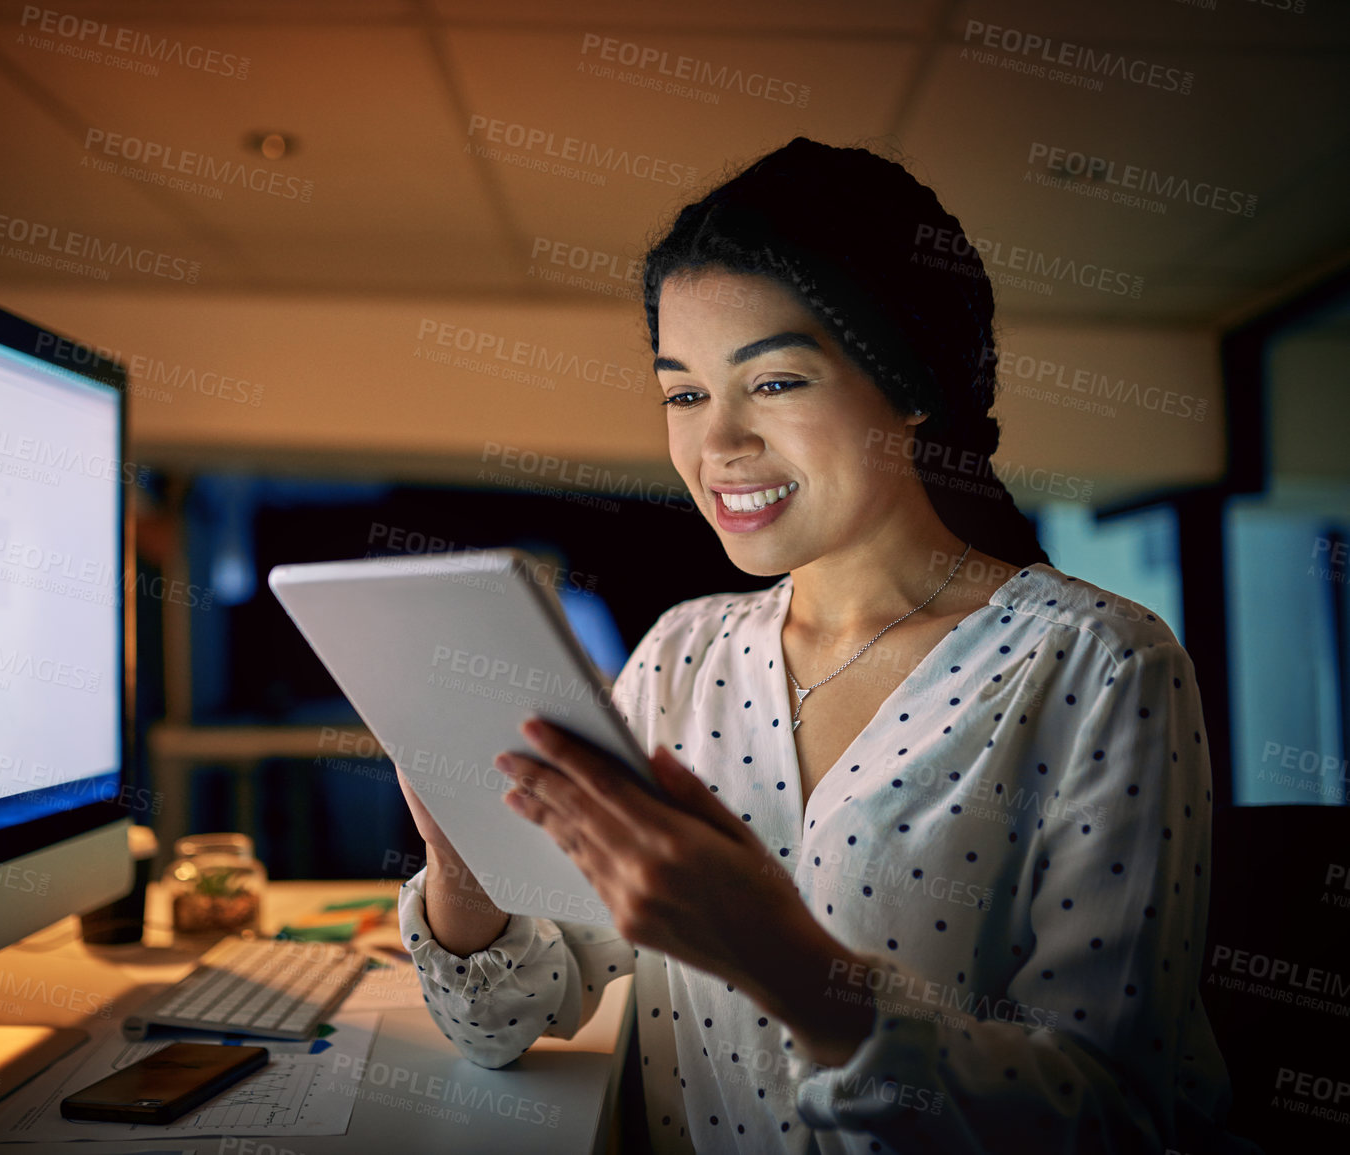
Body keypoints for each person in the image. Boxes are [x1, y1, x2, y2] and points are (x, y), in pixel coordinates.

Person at [393, 138, 1254, 1153]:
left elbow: (1113, 1119)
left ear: (912, 380)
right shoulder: (681, 655)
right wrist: (464, 871)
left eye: (777, 382)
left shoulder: (1101, 664)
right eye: (683, 393)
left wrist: (783, 961)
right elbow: (504, 1018)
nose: (717, 445)